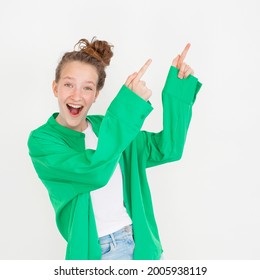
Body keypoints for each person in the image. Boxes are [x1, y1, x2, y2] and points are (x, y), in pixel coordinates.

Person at [27, 37, 202, 260]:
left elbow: (168, 148)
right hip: (100, 253)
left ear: (96, 95)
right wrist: (128, 106)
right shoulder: (43, 141)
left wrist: (178, 91)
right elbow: (94, 171)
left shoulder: (106, 127)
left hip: (141, 245)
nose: (77, 95)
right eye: (69, 84)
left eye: (87, 88)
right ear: (55, 87)